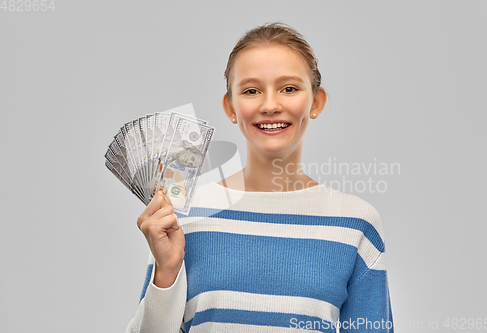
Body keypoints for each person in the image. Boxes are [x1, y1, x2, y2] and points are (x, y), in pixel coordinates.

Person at [126, 22, 393, 332]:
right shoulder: (182, 214)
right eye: (251, 90)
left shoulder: (355, 222)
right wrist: (166, 272)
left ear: (316, 102)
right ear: (231, 108)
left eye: (289, 88)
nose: (270, 105)